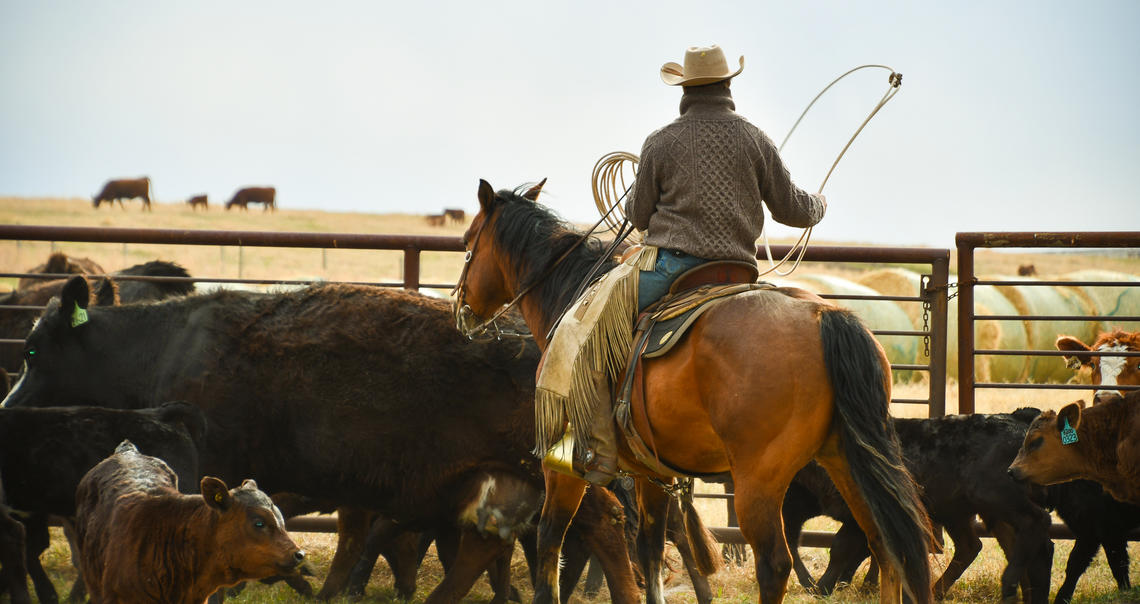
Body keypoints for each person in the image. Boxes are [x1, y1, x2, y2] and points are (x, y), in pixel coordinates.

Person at [541, 45, 827, 486]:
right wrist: (820, 204)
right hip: (739, 273)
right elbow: (795, 209)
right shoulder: (755, 138)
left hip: (671, 268)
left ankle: (596, 450)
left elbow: (637, 216)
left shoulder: (661, 141)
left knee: (586, 331)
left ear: (685, 90)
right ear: (728, 85)